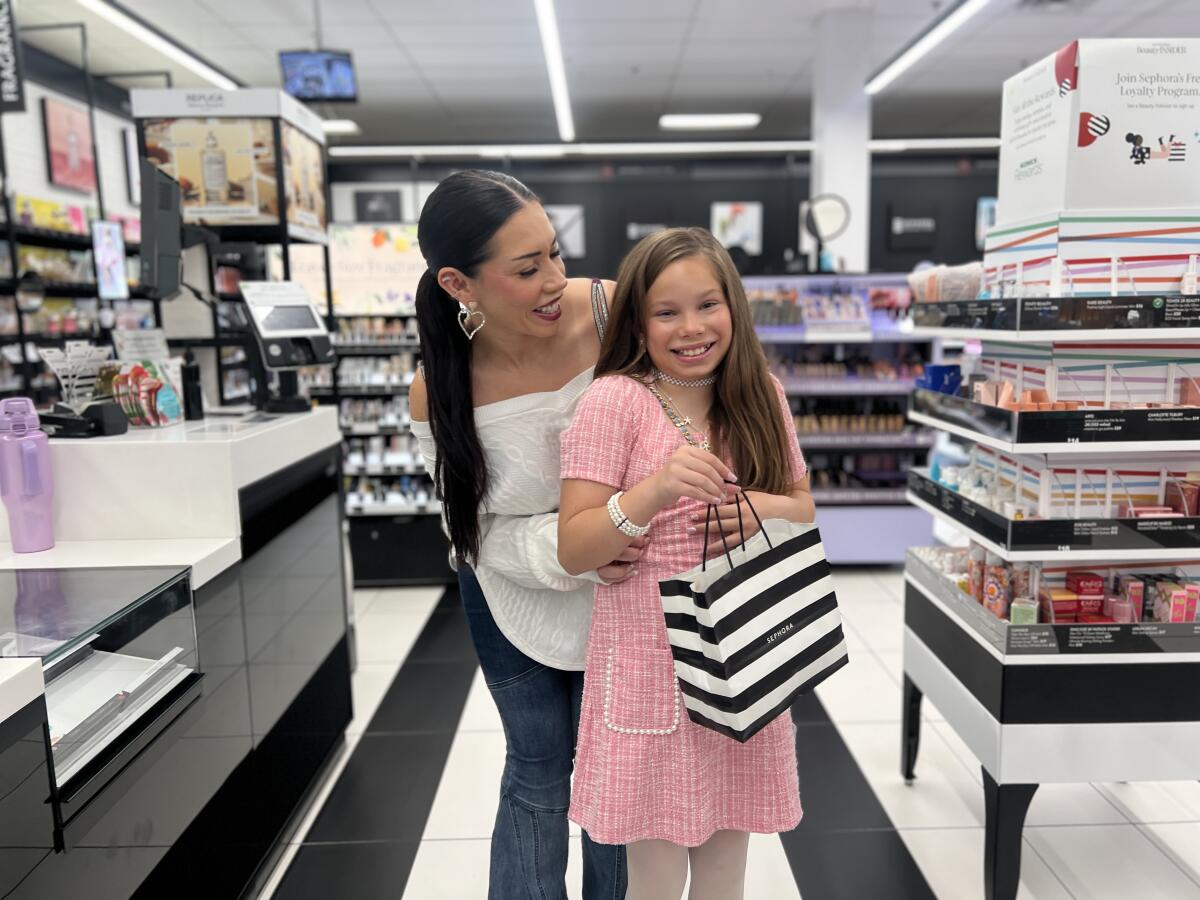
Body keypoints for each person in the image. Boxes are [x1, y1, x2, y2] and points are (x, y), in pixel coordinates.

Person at [556, 227, 815, 900]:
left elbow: (802, 505)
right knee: (656, 873)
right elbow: (574, 545)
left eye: (708, 304)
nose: (692, 327)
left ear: (734, 304)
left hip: (745, 658)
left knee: (728, 865)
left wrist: (757, 505)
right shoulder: (614, 401)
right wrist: (652, 492)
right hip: (650, 668)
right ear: (639, 323)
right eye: (667, 312)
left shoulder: (760, 392)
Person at [408, 170, 635, 900]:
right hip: (510, 595)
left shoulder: (610, 314)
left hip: (629, 585)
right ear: (458, 282)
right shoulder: (440, 384)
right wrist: (576, 552)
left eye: (556, 255)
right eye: (527, 267)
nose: (554, 281)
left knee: (617, 768)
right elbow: (467, 532)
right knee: (539, 769)